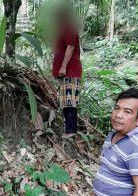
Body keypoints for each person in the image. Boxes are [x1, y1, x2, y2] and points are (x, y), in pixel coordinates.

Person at [52, 6, 82, 138]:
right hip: (66, 71)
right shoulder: (65, 28)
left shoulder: (68, 27)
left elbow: (70, 46)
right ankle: (69, 130)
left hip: (70, 70)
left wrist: (63, 66)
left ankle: (71, 130)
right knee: (65, 100)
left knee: (70, 100)